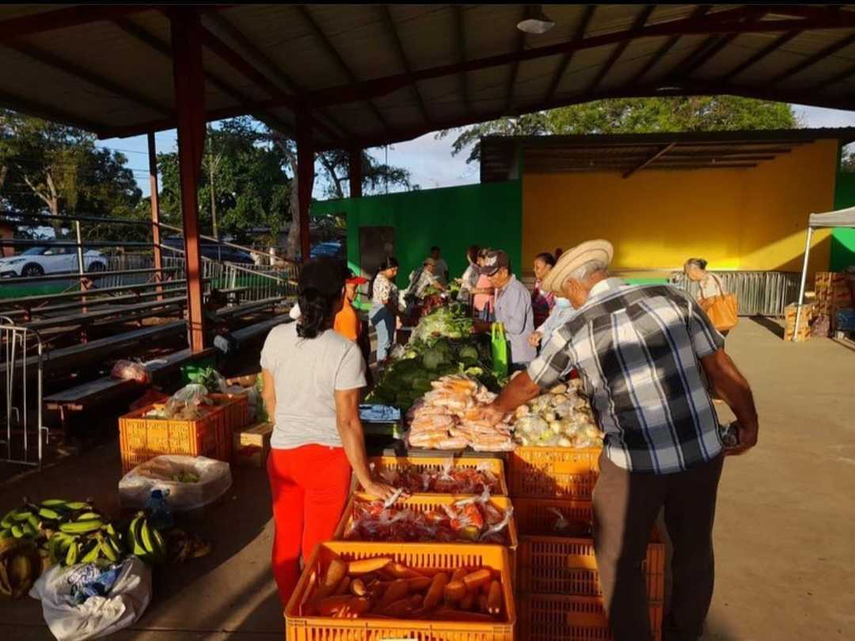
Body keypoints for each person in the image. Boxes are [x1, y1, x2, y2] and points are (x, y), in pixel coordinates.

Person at [482, 240, 759, 641]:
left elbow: (528, 385)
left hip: (634, 463)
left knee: (619, 558)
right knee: (694, 549)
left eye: (566, 296)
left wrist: (494, 409)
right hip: (700, 449)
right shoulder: (674, 298)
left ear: (576, 288)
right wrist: (748, 422)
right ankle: (684, 632)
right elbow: (720, 366)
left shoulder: (577, 326)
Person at [260, 257, 396, 606]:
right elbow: (347, 421)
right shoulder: (345, 351)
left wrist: (290, 429)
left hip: (283, 457)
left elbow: (269, 399)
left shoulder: (275, 337)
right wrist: (366, 480)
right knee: (319, 547)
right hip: (326, 461)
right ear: (339, 299)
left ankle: (293, 616)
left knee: (286, 543)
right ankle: (314, 616)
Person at [481, 249, 536, 369]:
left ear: (504, 272)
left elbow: (515, 327)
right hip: (509, 353)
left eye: (491, 274)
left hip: (520, 358)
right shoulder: (501, 289)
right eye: (487, 274)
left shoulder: (515, 291)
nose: (488, 278)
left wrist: (487, 326)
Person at [369, 257, 401, 362]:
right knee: (384, 341)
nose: (395, 273)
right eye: (393, 270)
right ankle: (381, 367)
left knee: (386, 340)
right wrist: (399, 314)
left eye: (396, 270)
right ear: (386, 268)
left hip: (381, 310)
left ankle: (384, 363)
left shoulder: (380, 277)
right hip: (383, 311)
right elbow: (386, 302)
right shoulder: (383, 281)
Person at [532, 252, 557, 328]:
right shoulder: (538, 283)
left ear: (548, 267)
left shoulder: (555, 286)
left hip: (548, 327)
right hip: (534, 325)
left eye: (537, 267)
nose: (534, 270)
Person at [472, 248, 495, 321]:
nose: (478, 263)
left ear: (486, 260)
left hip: (487, 309)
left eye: (479, 260)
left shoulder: (491, 273)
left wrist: (478, 290)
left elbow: (494, 290)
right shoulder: (485, 272)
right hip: (481, 308)